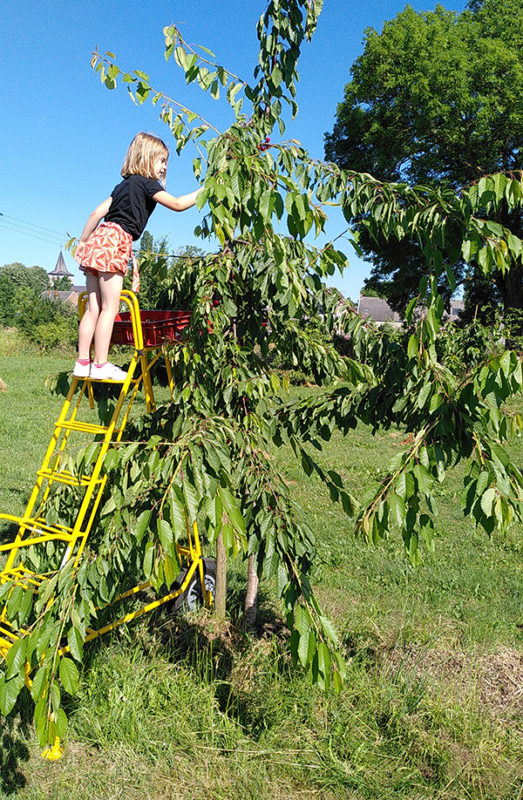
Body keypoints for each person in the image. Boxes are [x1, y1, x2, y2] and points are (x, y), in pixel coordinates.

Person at [73, 132, 201, 381]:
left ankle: (82, 362)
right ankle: (100, 365)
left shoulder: (122, 185)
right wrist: (206, 191)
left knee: (93, 307)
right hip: (117, 240)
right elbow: (176, 204)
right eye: (162, 160)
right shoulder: (146, 183)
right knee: (110, 307)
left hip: (98, 239)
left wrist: (82, 241)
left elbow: (96, 213)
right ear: (147, 158)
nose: (164, 167)